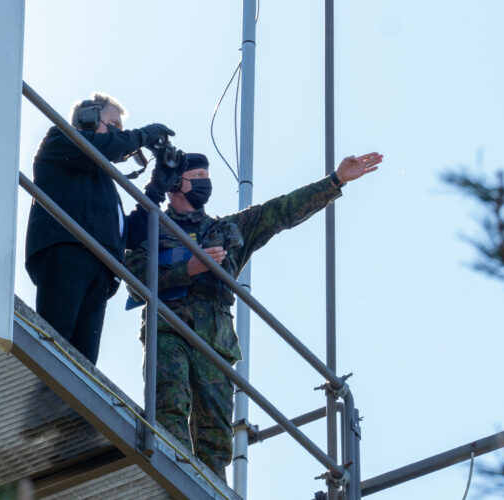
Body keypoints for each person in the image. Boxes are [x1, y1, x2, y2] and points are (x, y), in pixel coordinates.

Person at [124, 151, 383, 479]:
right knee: (170, 408)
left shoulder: (226, 231)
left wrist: (335, 181)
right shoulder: (151, 228)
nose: (206, 184)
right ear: (176, 184)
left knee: (216, 435)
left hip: (215, 341)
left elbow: (279, 212)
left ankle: (210, 490)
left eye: (207, 177)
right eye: (198, 178)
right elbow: (132, 279)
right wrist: (188, 268)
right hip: (170, 330)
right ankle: (170, 482)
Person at [25, 92, 173, 365]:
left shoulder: (104, 183)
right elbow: (106, 148)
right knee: (52, 348)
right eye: (113, 125)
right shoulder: (59, 140)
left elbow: (129, 233)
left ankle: (66, 406)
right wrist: (144, 136)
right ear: (89, 117)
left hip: (102, 269)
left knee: (82, 365)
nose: (118, 134)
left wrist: (157, 187)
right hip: (67, 253)